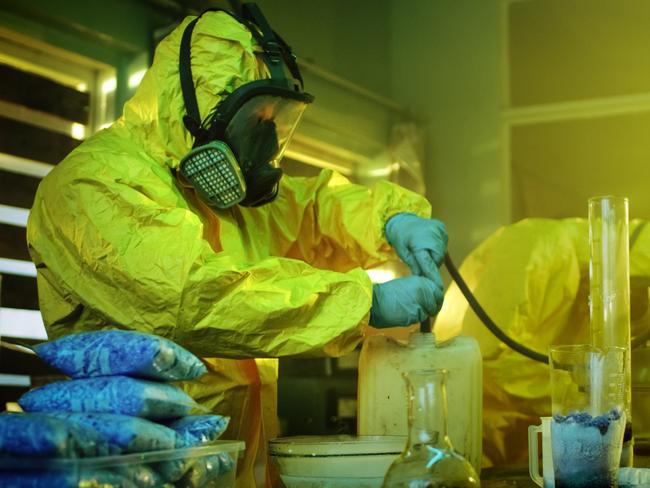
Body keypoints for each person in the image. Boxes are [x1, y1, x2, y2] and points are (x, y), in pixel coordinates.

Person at [26, 5, 448, 486]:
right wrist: (365, 302)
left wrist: (391, 219)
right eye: (254, 119)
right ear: (197, 109)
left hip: (228, 471)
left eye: (276, 120)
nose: (265, 139)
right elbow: (191, 296)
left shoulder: (222, 196)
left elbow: (312, 208)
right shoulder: (91, 185)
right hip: (132, 472)